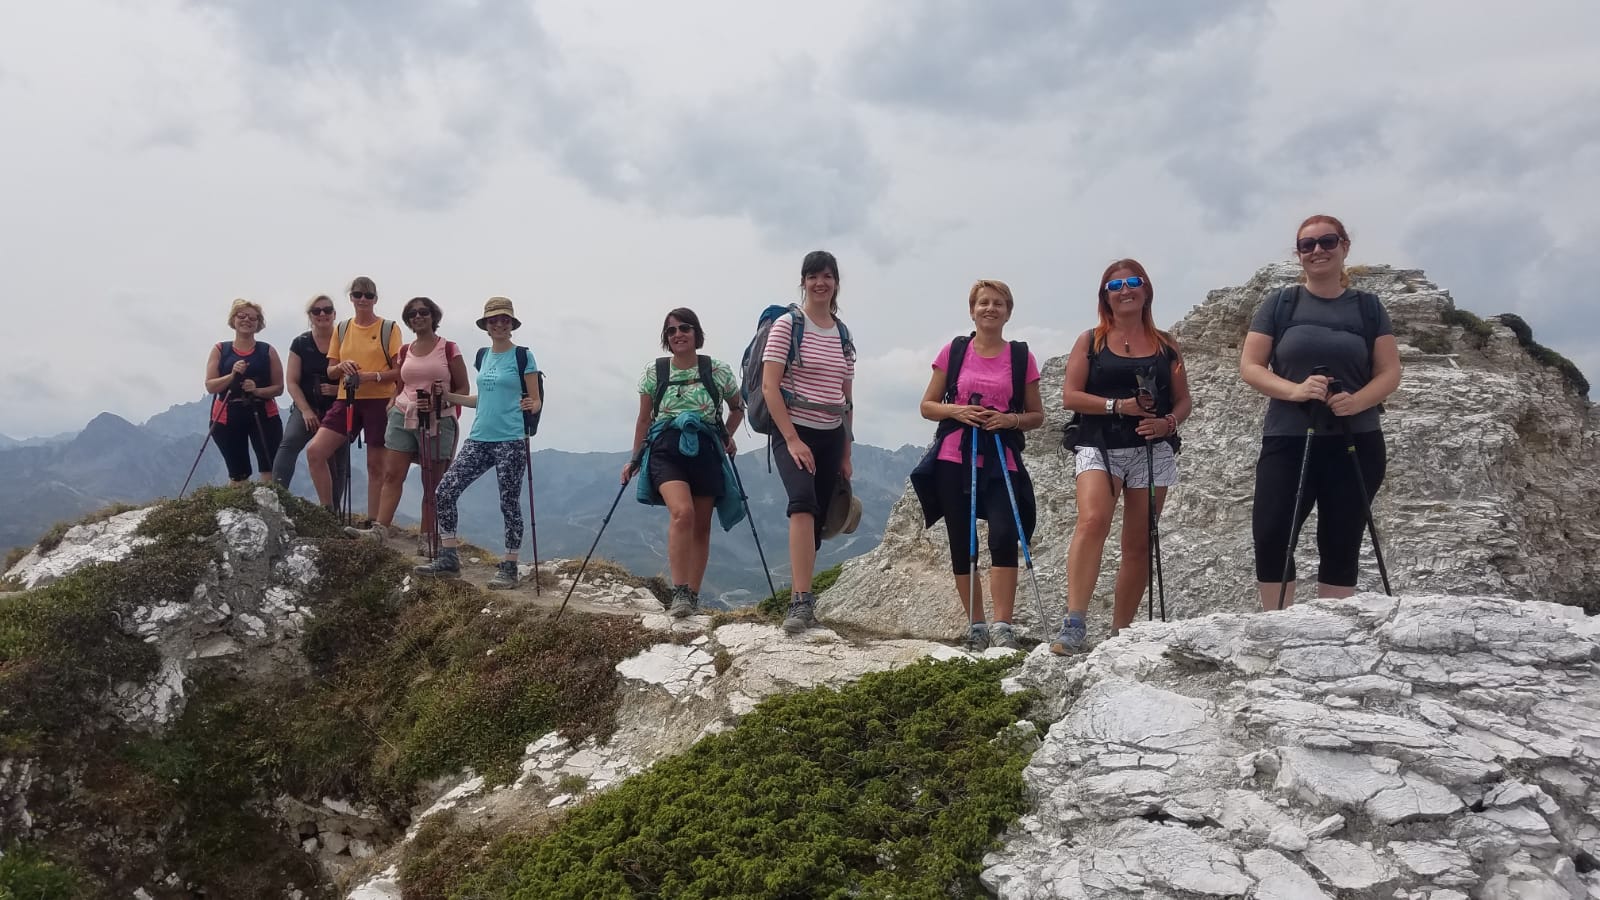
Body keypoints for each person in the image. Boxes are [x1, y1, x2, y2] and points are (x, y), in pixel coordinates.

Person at [1240, 215, 1401, 609]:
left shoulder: (1368, 307)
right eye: (1307, 245)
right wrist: (1295, 390)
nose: (1318, 251)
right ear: (1298, 254)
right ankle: (1276, 628)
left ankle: (1332, 630)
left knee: (1342, 537)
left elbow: (1390, 370)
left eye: (1327, 242)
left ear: (1344, 246)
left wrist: (1358, 401)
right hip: (1288, 436)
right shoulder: (1281, 303)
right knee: (1273, 533)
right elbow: (1251, 366)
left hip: (1355, 437)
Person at [1051, 259, 1192, 654]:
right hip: (1099, 443)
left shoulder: (1167, 345)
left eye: (1133, 282)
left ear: (1146, 290)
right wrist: (1120, 406)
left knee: (1138, 542)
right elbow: (1070, 396)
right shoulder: (1091, 341)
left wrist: (1167, 423)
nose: (1125, 289)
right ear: (1105, 295)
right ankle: (1074, 622)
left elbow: (1183, 401)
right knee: (1092, 520)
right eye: (1116, 285)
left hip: (1152, 449)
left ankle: (1120, 633)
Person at [911, 280, 1043, 651]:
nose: (990, 308)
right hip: (955, 455)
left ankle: (1002, 625)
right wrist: (959, 411)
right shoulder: (954, 351)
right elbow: (928, 406)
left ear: (1008, 311)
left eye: (998, 303)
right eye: (983, 302)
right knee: (961, 539)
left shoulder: (1021, 358)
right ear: (972, 310)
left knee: (1004, 534)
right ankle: (977, 625)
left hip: (1002, 455)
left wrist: (1010, 420)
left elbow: (1037, 415)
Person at [622, 308, 746, 617]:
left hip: (705, 449)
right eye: (671, 330)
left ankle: (692, 594)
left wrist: (725, 437)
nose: (678, 334)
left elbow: (737, 407)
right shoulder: (655, 373)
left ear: (696, 333)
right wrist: (635, 458)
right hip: (666, 448)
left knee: (701, 527)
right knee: (682, 513)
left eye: (684, 328)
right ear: (666, 338)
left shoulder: (718, 371)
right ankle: (679, 592)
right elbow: (643, 419)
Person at [414, 297, 542, 589]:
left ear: (511, 324)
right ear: (486, 325)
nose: (499, 324)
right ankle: (449, 557)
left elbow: (535, 401)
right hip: (480, 436)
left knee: (508, 502)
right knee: (445, 490)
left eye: (504, 319)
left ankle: (509, 565)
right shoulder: (483, 356)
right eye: (494, 320)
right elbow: (481, 399)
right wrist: (447, 397)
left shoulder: (524, 356)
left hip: (511, 438)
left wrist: (529, 405)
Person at [762, 250, 856, 634]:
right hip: (793, 429)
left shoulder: (843, 334)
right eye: (813, 275)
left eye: (827, 276)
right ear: (803, 281)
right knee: (801, 503)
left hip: (832, 432)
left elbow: (847, 397)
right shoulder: (788, 325)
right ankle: (801, 603)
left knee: (816, 518)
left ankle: (803, 600)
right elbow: (770, 386)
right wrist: (792, 439)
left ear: (836, 282)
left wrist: (847, 450)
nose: (821, 282)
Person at [347, 297, 468, 549]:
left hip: (438, 420)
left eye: (423, 312)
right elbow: (402, 384)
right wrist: (393, 404)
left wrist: (441, 403)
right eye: (412, 314)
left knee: (432, 482)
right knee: (392, 475)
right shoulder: (405, 351)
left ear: (434, 316)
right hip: (403, 415)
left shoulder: (448, 349)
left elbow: (463, 388)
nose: (418, 316)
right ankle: (380, 530)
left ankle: (428, 538)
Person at [304, 276, 402, 518]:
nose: (362, 299)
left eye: (368, 295)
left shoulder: (389, 328)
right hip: (346, 397)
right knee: (315, 451)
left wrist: (371, 377)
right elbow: (330, 370)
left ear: (376, 299)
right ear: (351, 298)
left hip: (379, 401)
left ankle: (372, 523)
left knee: (375, 465)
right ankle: (328, 512)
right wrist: (342, 367)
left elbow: (400, 370)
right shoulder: (343, 328)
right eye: (357, 294)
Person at [271, 294, 349, 497]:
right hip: (307, 405)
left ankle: (332, 511)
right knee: (289, 443)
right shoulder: (300, 343)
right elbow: (292, 382)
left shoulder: (346, 340)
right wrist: (305, 410)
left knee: (339, 457)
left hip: (338, 406)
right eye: (316, 311)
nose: (322, 314)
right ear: (310, 316)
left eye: (327, 310)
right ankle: (277, 496)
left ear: (334, 314)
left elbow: (355, 373)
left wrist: (336, 390)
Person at [202, 299, 285, 484]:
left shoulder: (267, 351)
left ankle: (267, 507)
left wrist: (256, 390)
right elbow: (210, 386)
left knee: (269, 466)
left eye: (253, 318)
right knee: (237, 471)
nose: (247, 320)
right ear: (234, 320)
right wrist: (232, 376)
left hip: (264, 414)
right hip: (227, 415)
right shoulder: (220, 350)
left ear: (258, 323)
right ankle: (241, 508)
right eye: (242, 316)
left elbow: (279, 388)